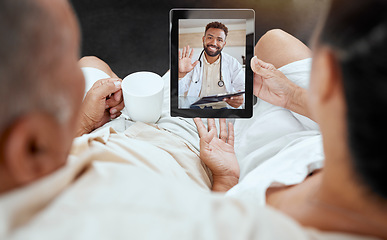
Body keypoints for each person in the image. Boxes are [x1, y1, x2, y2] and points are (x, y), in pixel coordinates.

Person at [0, 0, 386, 240]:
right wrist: (226, 178)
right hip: (185, 146)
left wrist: (78, 127)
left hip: (115, 140)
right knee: (276, 43)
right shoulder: (185, 220)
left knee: (90, 66)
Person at [178, 21, 245, 109]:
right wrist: (180, 75)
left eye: (219, 40)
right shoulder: (191, 61)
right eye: (210, 37)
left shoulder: (233, 63)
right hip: (196, 107)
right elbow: (179, 92)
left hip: (222, 108)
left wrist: (240, 99)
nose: (214, 43)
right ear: (203, 39)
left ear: (224, 44)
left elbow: (242, 87)